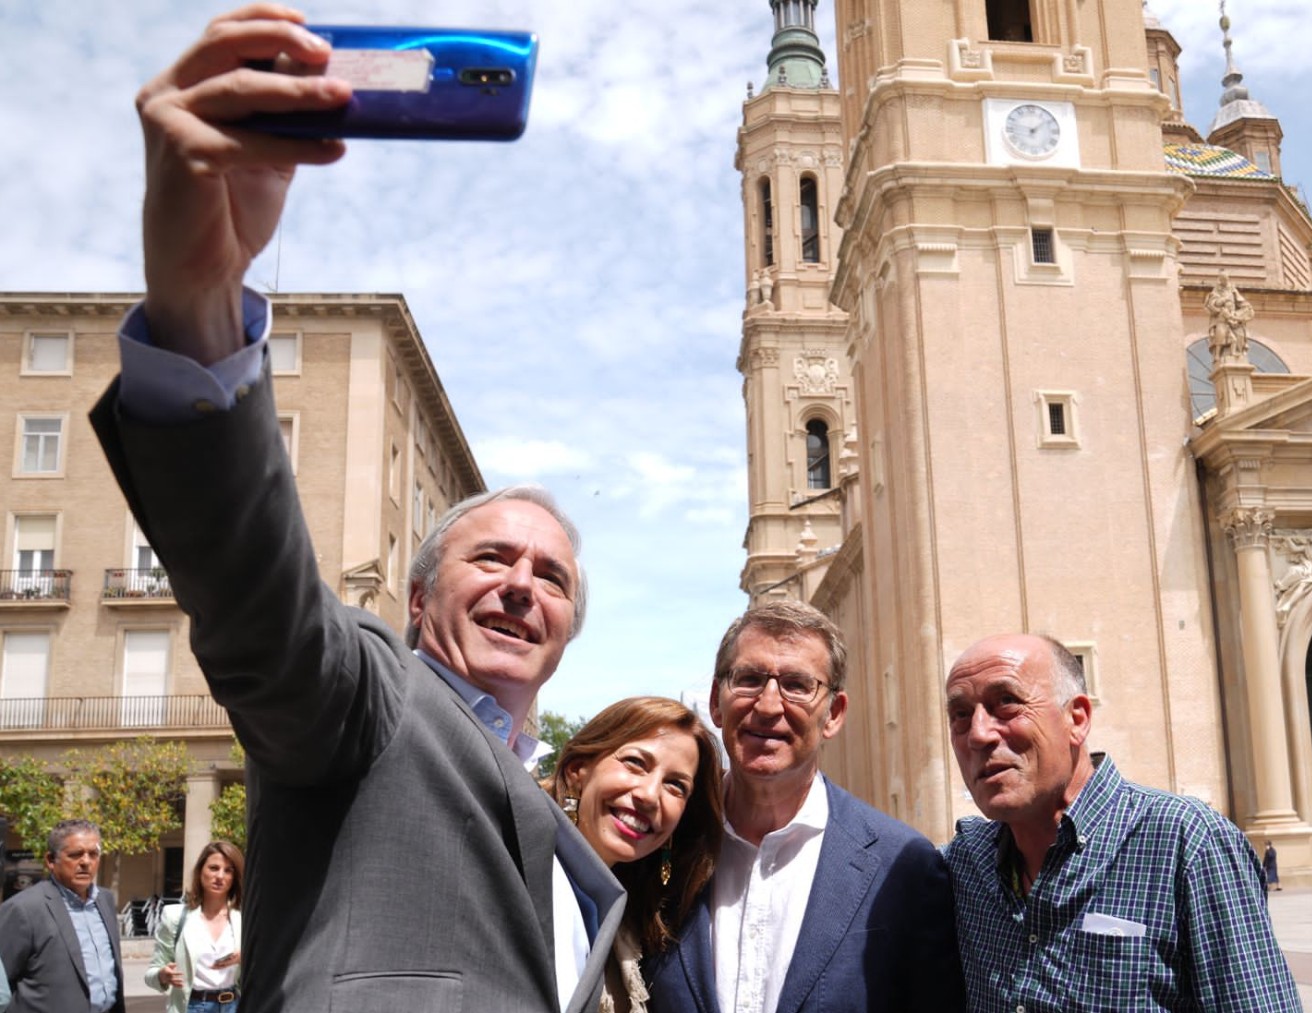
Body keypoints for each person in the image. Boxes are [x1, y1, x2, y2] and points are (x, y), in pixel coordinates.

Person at [98, 12, 624, 1008]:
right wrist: (202, 307)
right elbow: (262, 610)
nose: (521, 584)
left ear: (564, 636)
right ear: (418, 602)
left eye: (550, 575)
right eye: (492, 559)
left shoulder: (551, 810)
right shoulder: (369, 698)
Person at [941, 633, 1301, 1011]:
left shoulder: (1186, 842)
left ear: (1076, 719)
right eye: (961, 715)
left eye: (1007, 703)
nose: (979, 734)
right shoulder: (965, 862)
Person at [647, 601, 962, 1013]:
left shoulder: (903, 868)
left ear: (834, 714)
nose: (768, 705)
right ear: (715, 702)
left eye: (797, 685)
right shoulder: (659, 842)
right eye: (749, 679)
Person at [546, 697, 725, 1013]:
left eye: (675, 786)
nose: (649, 795)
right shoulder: (519, 873)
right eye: (635, 763)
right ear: (578, 770)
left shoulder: (633, 932)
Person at [0, 820, 125, 1013]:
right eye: (75, 855)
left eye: (93, 854)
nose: (86, 862)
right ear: (50, 860)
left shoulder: (105, 900)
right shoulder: (23, 909)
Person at [146, 841, 246, 1013]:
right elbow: (152, 973)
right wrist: (163, 975)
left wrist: (244, 957)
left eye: (228, 870)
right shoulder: (175, 917)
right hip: (193, 1007)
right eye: (214, 868)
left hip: (234, 1006)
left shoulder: (243, 919)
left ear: (234, 877)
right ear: (200, 872)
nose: (220, 876)